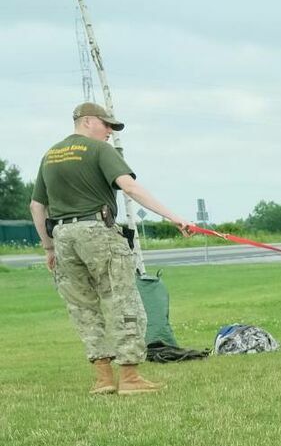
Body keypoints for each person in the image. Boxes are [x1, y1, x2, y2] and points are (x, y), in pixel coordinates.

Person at [29, 102, 192, 396]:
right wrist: (174, 216)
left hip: (63, 236)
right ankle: (129, 376)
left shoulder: (50, 156)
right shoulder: (100, 151)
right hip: (97, 232)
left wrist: (48, 247)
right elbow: (129, 187)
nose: (109, 133)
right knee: (123, 301)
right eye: (107, 126)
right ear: (88, 121)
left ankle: (103, 379)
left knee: (83, 308)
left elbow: (36, 206)